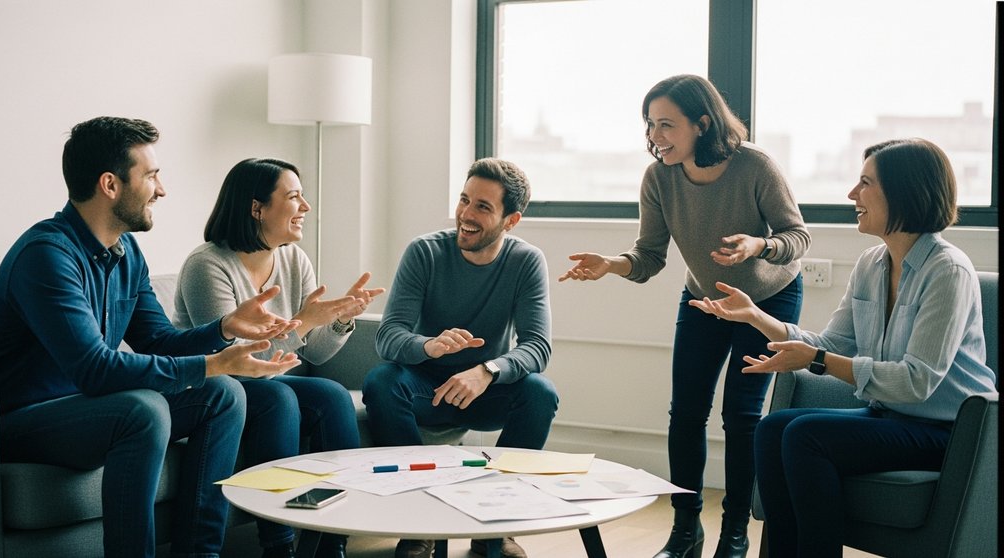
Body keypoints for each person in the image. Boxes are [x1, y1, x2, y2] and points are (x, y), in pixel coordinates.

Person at [0, 116, 304, 558]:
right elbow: (95, 370)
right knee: (143, 408)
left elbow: (157, 339)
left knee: (225, 394)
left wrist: (224, 328)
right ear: (110, 185)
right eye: (151, 175)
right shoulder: (46, 256)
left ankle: (200, 553)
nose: (162, 189)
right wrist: (213, 361)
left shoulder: (126, 251)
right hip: (21, 420)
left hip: (87, 407)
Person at [689, 138, 997, 558]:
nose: (852, 194)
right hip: (889, 416)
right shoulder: (871, 263)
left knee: (806, 435)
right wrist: (755, 317)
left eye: (865, 183)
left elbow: (917, 381)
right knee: (771, 428)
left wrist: (817, 360)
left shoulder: (948, 272)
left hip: (951, 431)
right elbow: (832, 343)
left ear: (905, 192)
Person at [559, 74, 811, 558]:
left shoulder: (754, 165)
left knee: (741, 416)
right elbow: (650, 255)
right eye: (651, 125)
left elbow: (798, 236)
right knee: (687, 414)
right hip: (702, 298)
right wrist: (612, 265)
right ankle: (685, 530)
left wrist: (761, 244)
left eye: (667, 125)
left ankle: (735, 533)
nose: (656, 137)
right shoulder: (659, 178)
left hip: (766, 300)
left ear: (703, 123)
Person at [173, 157, 385, 558]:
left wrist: (338, 321)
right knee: (279, 399)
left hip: (265, 380)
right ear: (257, 209)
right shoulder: (207, 266)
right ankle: (279, 545)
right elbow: (237, 362)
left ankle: (332, 541)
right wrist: (304, 321)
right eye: (294, 197)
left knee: (332, 394)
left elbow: (316, 353)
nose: (305, 207)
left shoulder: (292, 258)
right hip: (215, 386)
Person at [362, 157, 558, 558]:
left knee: (540, 392)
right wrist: (428, 345)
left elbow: (538, 346)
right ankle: (418, 522)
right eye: (464, 200)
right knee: (382, 381)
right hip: (425, 391)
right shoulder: (424, 252)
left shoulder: (526, 261)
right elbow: (388, 337)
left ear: (511, 220)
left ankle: (494, 527)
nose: (466, 215)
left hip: (484, 393)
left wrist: (487, 370)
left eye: (483, 207)